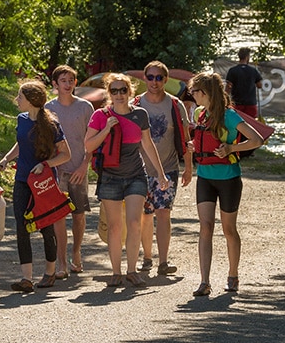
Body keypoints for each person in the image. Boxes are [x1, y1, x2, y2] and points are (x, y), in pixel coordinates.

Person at [84, 73, 168, 288]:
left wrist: (160, 173)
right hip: (110, 177)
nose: (119, 94)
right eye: (114, 91)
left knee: (134, 223)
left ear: (130, 92)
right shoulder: (101, 115)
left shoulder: (140, 114)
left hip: (135, 176)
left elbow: (148, 145)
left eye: (123, 90)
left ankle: (132, 270)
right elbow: (89, 146)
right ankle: (115, 272)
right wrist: (106, 129)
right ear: (109, 93)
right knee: (114, 227)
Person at [188, 71, 263, 297]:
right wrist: (194, 146)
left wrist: (231, 148)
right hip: (205, 178)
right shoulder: (200, 114)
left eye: (195, 91)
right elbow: (201, 139)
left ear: (206, 93)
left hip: (228, 178)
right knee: (205, 227)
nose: (192, 95)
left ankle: (233, 275)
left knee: (229, 230)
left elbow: (256, 139)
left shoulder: (229, 116)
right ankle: (204, 281)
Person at [0, 81, 71, 293]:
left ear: (32, 100)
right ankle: (26, 278)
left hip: (43, 182)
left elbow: (66, 154)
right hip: (22, 179)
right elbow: (21, 144)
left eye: (20, 97)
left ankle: (49, 272)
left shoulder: (52, 124)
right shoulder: (22, 119)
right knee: (21, 226)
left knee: (46, 225)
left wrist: (45, 164)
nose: (17, 100)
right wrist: (6, 159)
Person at [133, 61, 193, 276]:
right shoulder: (136, 104)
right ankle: (147, 257)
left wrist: (188, 167)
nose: (155, 82)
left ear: (166, 80)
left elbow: (186, 139)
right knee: (145, 214)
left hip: (168, 167)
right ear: (145, 78)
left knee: (163, 213)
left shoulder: (175, 105)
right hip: (139, 169)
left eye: (159, 78)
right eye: (150, 77)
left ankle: (163, 262)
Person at [45, 65, 94, 277]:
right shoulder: (47, 107)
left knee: (79, 215)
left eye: (71, 80)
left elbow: (92, 141)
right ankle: (62, 262)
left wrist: (85, 165)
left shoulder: (86, 107)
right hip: (56, 170)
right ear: (55, 84)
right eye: (63, 80)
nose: (68, 84)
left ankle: (76, 252)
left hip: (78, 169)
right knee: (58, 217)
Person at [225, 47, 263, 118]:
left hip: (237, 104)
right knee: (251, 125)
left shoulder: (232, 71)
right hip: (250, 104)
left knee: (237, 125)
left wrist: (225, 100)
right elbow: (259, 85)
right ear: (247, 57)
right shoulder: (253, 70)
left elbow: (228, 87)